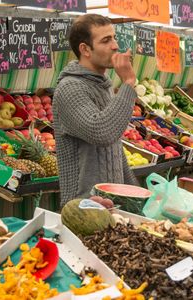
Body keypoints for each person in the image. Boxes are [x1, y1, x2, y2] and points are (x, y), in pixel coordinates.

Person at [53, 14, 138, 207]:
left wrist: (135, 194)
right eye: (106, 40)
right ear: (85, 50)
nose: (115, 45)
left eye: (114, 38)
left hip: (110, 203)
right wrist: (128, 83)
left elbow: (113, 146)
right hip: (83, 206)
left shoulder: (103, 85)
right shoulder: (70, 88)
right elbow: (102, 132)